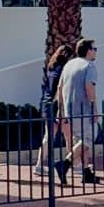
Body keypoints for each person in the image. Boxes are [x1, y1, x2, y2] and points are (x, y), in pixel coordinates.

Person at [56, 38, 100, 185]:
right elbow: (89, 86)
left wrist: (60, 110)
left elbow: (60, 88)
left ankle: (86, 172)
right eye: (94, 49)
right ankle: (65, 164)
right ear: (88, 50)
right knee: (89, 138)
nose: (95, 52)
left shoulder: (69, 65)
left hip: (70, 110)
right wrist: (94, 107)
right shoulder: (89, 66)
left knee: (81, 140)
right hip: (84, 109)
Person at [33, 43, 72, 176]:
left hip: (46, 104)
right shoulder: (63, 69)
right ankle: (72, 163)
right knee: (69, 136)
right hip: (57, 105)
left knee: (48, 137)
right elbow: (61, 90)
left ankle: (38, 165)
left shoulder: (51, 67)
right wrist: (61, 110)